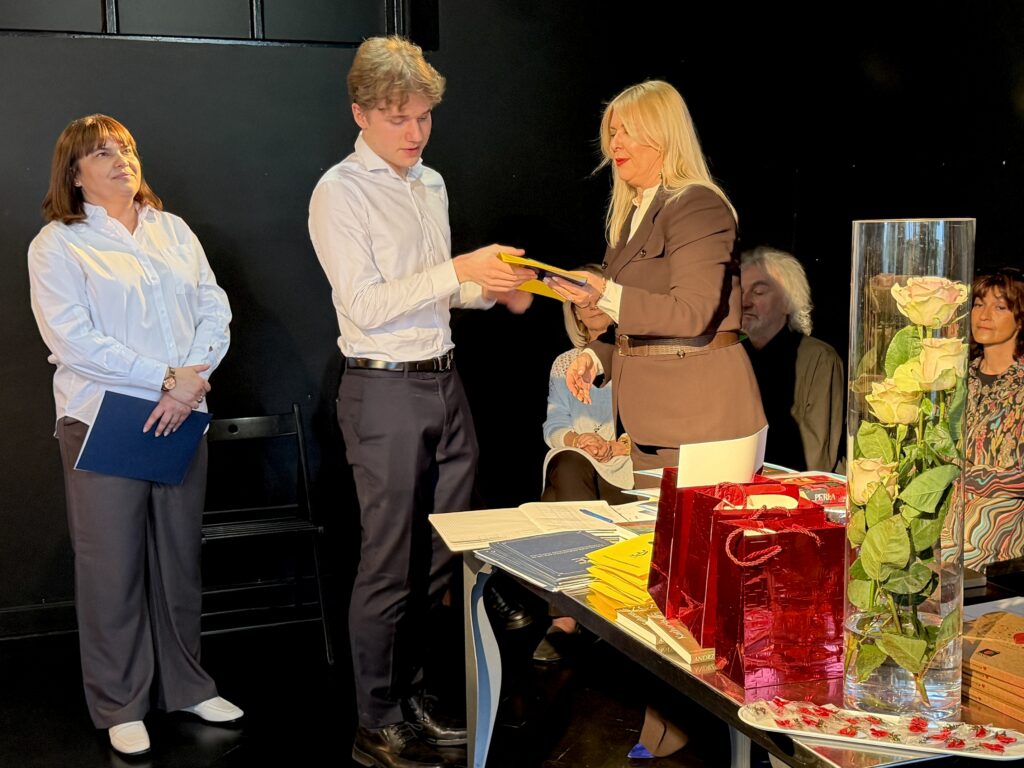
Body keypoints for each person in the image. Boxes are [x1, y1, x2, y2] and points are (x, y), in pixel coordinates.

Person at [307, 36, 534, 768]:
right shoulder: (340, 191)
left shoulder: (429, 183)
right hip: (382, 389)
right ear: (361, 113)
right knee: (388, 563)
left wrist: (493, 289)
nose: (414, 133)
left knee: (443, 555)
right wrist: (460, 269)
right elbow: (368, 304)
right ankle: (375, 722)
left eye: (424, 117)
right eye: (398, 118)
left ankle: (410, 699)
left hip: (444, 379)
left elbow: (437, 291)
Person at [546, 80, 765, 757]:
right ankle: (670, 726)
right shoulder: (634, 215)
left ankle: (723, 737)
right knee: (664, 591)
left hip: (704, 419)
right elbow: (646, 328)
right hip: (655, 424)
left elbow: (694, 313)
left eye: (630, 130)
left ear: (665, 134)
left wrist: (606, 294)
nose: (616, 143)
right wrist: (600, 356)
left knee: (700, 595)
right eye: (611, 131)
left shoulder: (697, 204)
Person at [27, 114, 240, 757]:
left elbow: (214, 308)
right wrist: (166, 378)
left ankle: (187, 686)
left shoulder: (173, 231)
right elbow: (73, 339)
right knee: (111, 567)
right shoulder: (57, 244)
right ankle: (120, 702)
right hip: (104, 419)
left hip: (182, 412)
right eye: (101, 153)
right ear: (74, 174)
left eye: (124, 148)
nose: (120, 159)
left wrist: (189, 382)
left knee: (178, 558)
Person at [533, 265, 633, 663]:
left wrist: (620, 445)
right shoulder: (565, 363)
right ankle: (573, 613)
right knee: (568, 463)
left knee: (562, 489)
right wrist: (579, 440)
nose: (587, 305)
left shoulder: (637, 355)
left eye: (592, 295)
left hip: (628, 464)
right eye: (577, 301)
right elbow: (554, 425)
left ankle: (570, 613)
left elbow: (657, 423)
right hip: (582, 463)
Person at [740, 246, 844, 472]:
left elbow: (816, 457)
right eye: (740, 291)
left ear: (789, 301)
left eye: (758, 292)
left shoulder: (820, 359)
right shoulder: (733, 356)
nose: (745, 302)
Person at [962, 267, 1024, 571]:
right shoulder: (956, 377)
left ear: (1020, 318)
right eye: (978, 304)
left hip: (998, 540)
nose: (984, 315)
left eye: (1000, 307)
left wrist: (970, 478)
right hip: (941, 526)